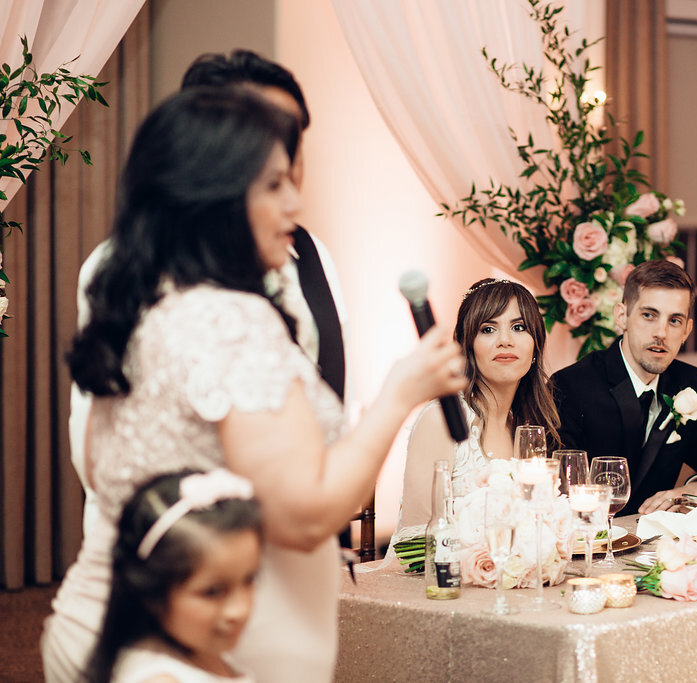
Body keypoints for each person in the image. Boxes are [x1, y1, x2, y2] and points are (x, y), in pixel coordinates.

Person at [42, 87, 466, 682]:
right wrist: (399, 393)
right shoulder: (227, 321)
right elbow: (304, 516)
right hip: (190, 654)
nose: (295, 202)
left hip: (110, 625)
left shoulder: (140, 293)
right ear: (210, 194)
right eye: (273, 184)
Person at [68, 49, 350, 537]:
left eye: (289, 135)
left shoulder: (313, 255)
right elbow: (100, 438)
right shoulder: (124, 268)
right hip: (184, 549)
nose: (278, 148)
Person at [551, 260, 697, 516]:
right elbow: (556, 493)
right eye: (649, 315)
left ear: (687, 330)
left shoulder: (687, 382)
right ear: (622, 316)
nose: (661, 333)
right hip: (591, 545)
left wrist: (691, 490)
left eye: (674, 321)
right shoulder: (570, 386)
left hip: (657, 544)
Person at [392, 278, 561, 537]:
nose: (505, 340)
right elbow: (414, 539)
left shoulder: (528, 424)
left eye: (518, 327)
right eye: (488, 330)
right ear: (467, 344)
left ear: (535, 344)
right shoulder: (440, 420)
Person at [84, 469, 262, 683]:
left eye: (249, 579)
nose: (240, 610)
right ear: (153, 592)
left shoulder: (203, 651)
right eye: (213, 592)